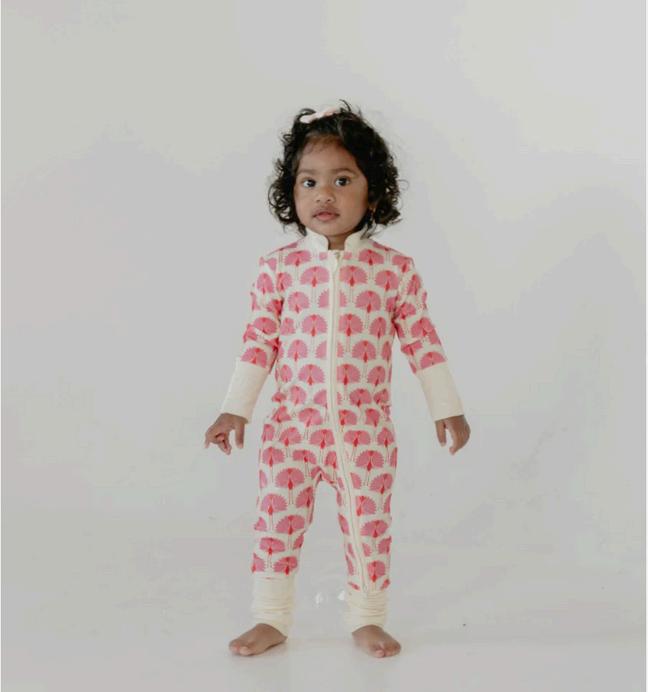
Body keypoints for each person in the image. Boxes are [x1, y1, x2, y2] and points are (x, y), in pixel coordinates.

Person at [204, 100, 471, 658]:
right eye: (310, 182)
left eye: (342, 180)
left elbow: (422, 341)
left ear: (372, 194)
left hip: (364, 432)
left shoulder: (394, 271)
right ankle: (270, 617)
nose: (324, 194)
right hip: (291, 431)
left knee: (368, 524)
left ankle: (367, 618)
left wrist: (447, 406)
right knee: (276, 523)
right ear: (292, 193)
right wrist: (235, 408)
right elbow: (258, 342)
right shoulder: (278, 269)